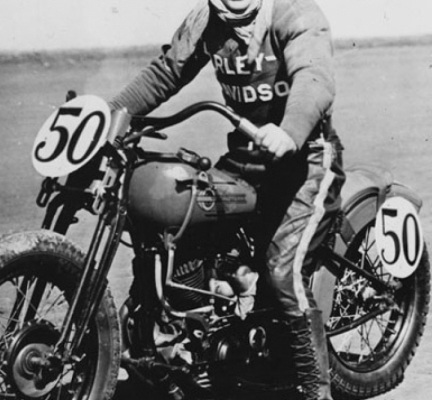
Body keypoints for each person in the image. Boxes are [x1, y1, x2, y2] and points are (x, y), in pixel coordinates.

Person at [109, 0, 345, 399]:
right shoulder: (208, 18)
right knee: (184, 226)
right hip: (245, 159)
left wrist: (289, 130)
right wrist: (110, 115)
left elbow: (314, 78)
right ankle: (191, 349)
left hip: (306, 161)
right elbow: (166, 72)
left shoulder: (294, 12)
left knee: (282, 273)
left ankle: (315, 390)